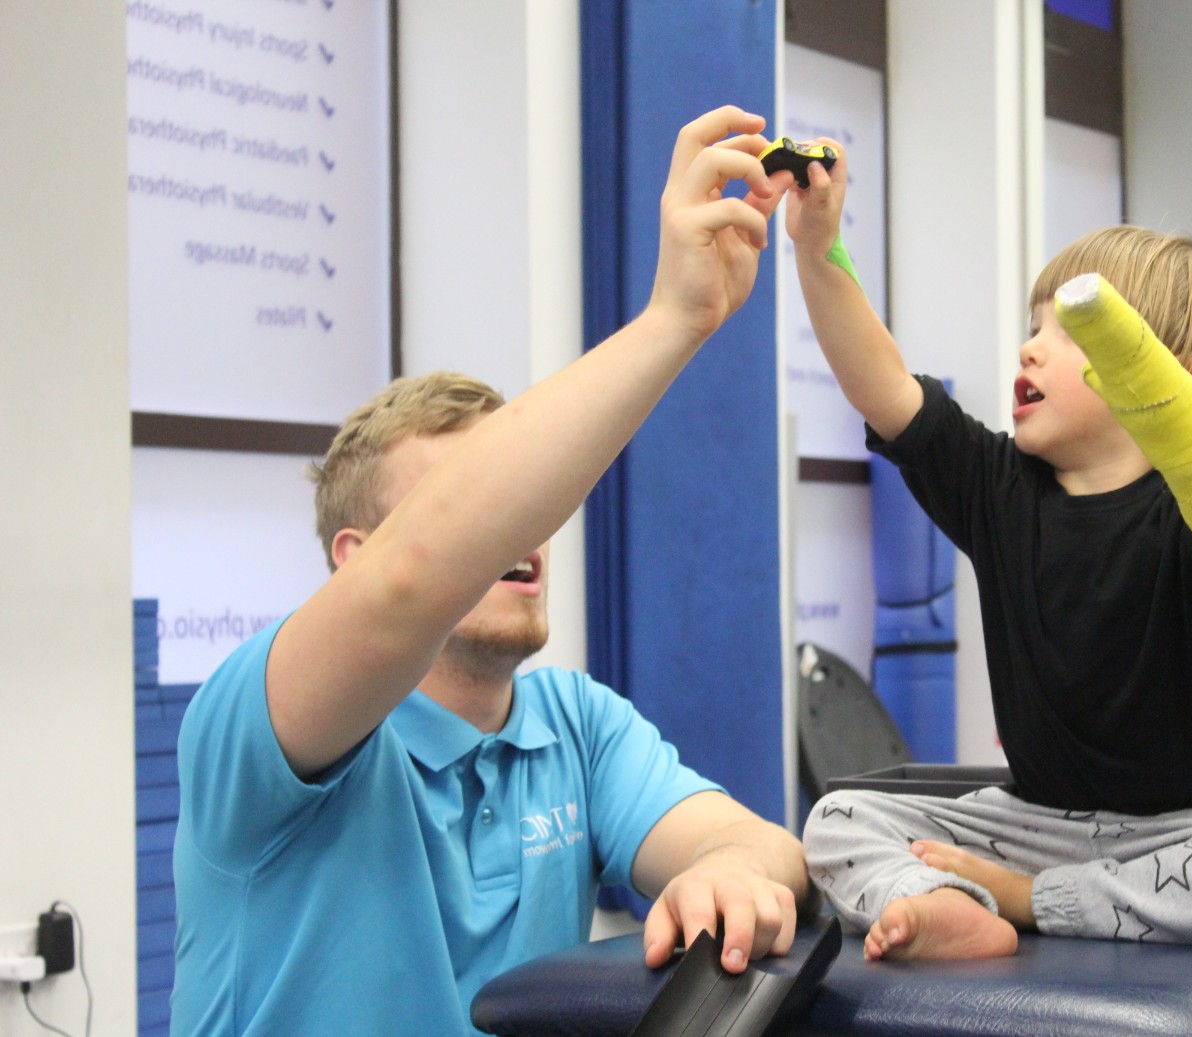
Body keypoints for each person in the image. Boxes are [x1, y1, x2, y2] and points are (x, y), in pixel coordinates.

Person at [169, 106, 815, 1036]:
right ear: (352, 558)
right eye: (480, 511)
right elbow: (412, 578)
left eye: (528, 507)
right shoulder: (258, 728)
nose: (521, 531)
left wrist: (733, 871)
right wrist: (676, 319)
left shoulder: (574, 728)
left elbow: (760, 846)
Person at [782, 141, 1192, 960]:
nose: (1028, 349)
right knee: (836, 817)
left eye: (1067, 334)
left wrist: (1035, 892)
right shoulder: (999, 486)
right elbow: (880, 382)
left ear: (1165, 381)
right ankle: (949, 901)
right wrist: (815, 247)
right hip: (1035, 820)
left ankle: (1028, 903)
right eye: (1031, 328)